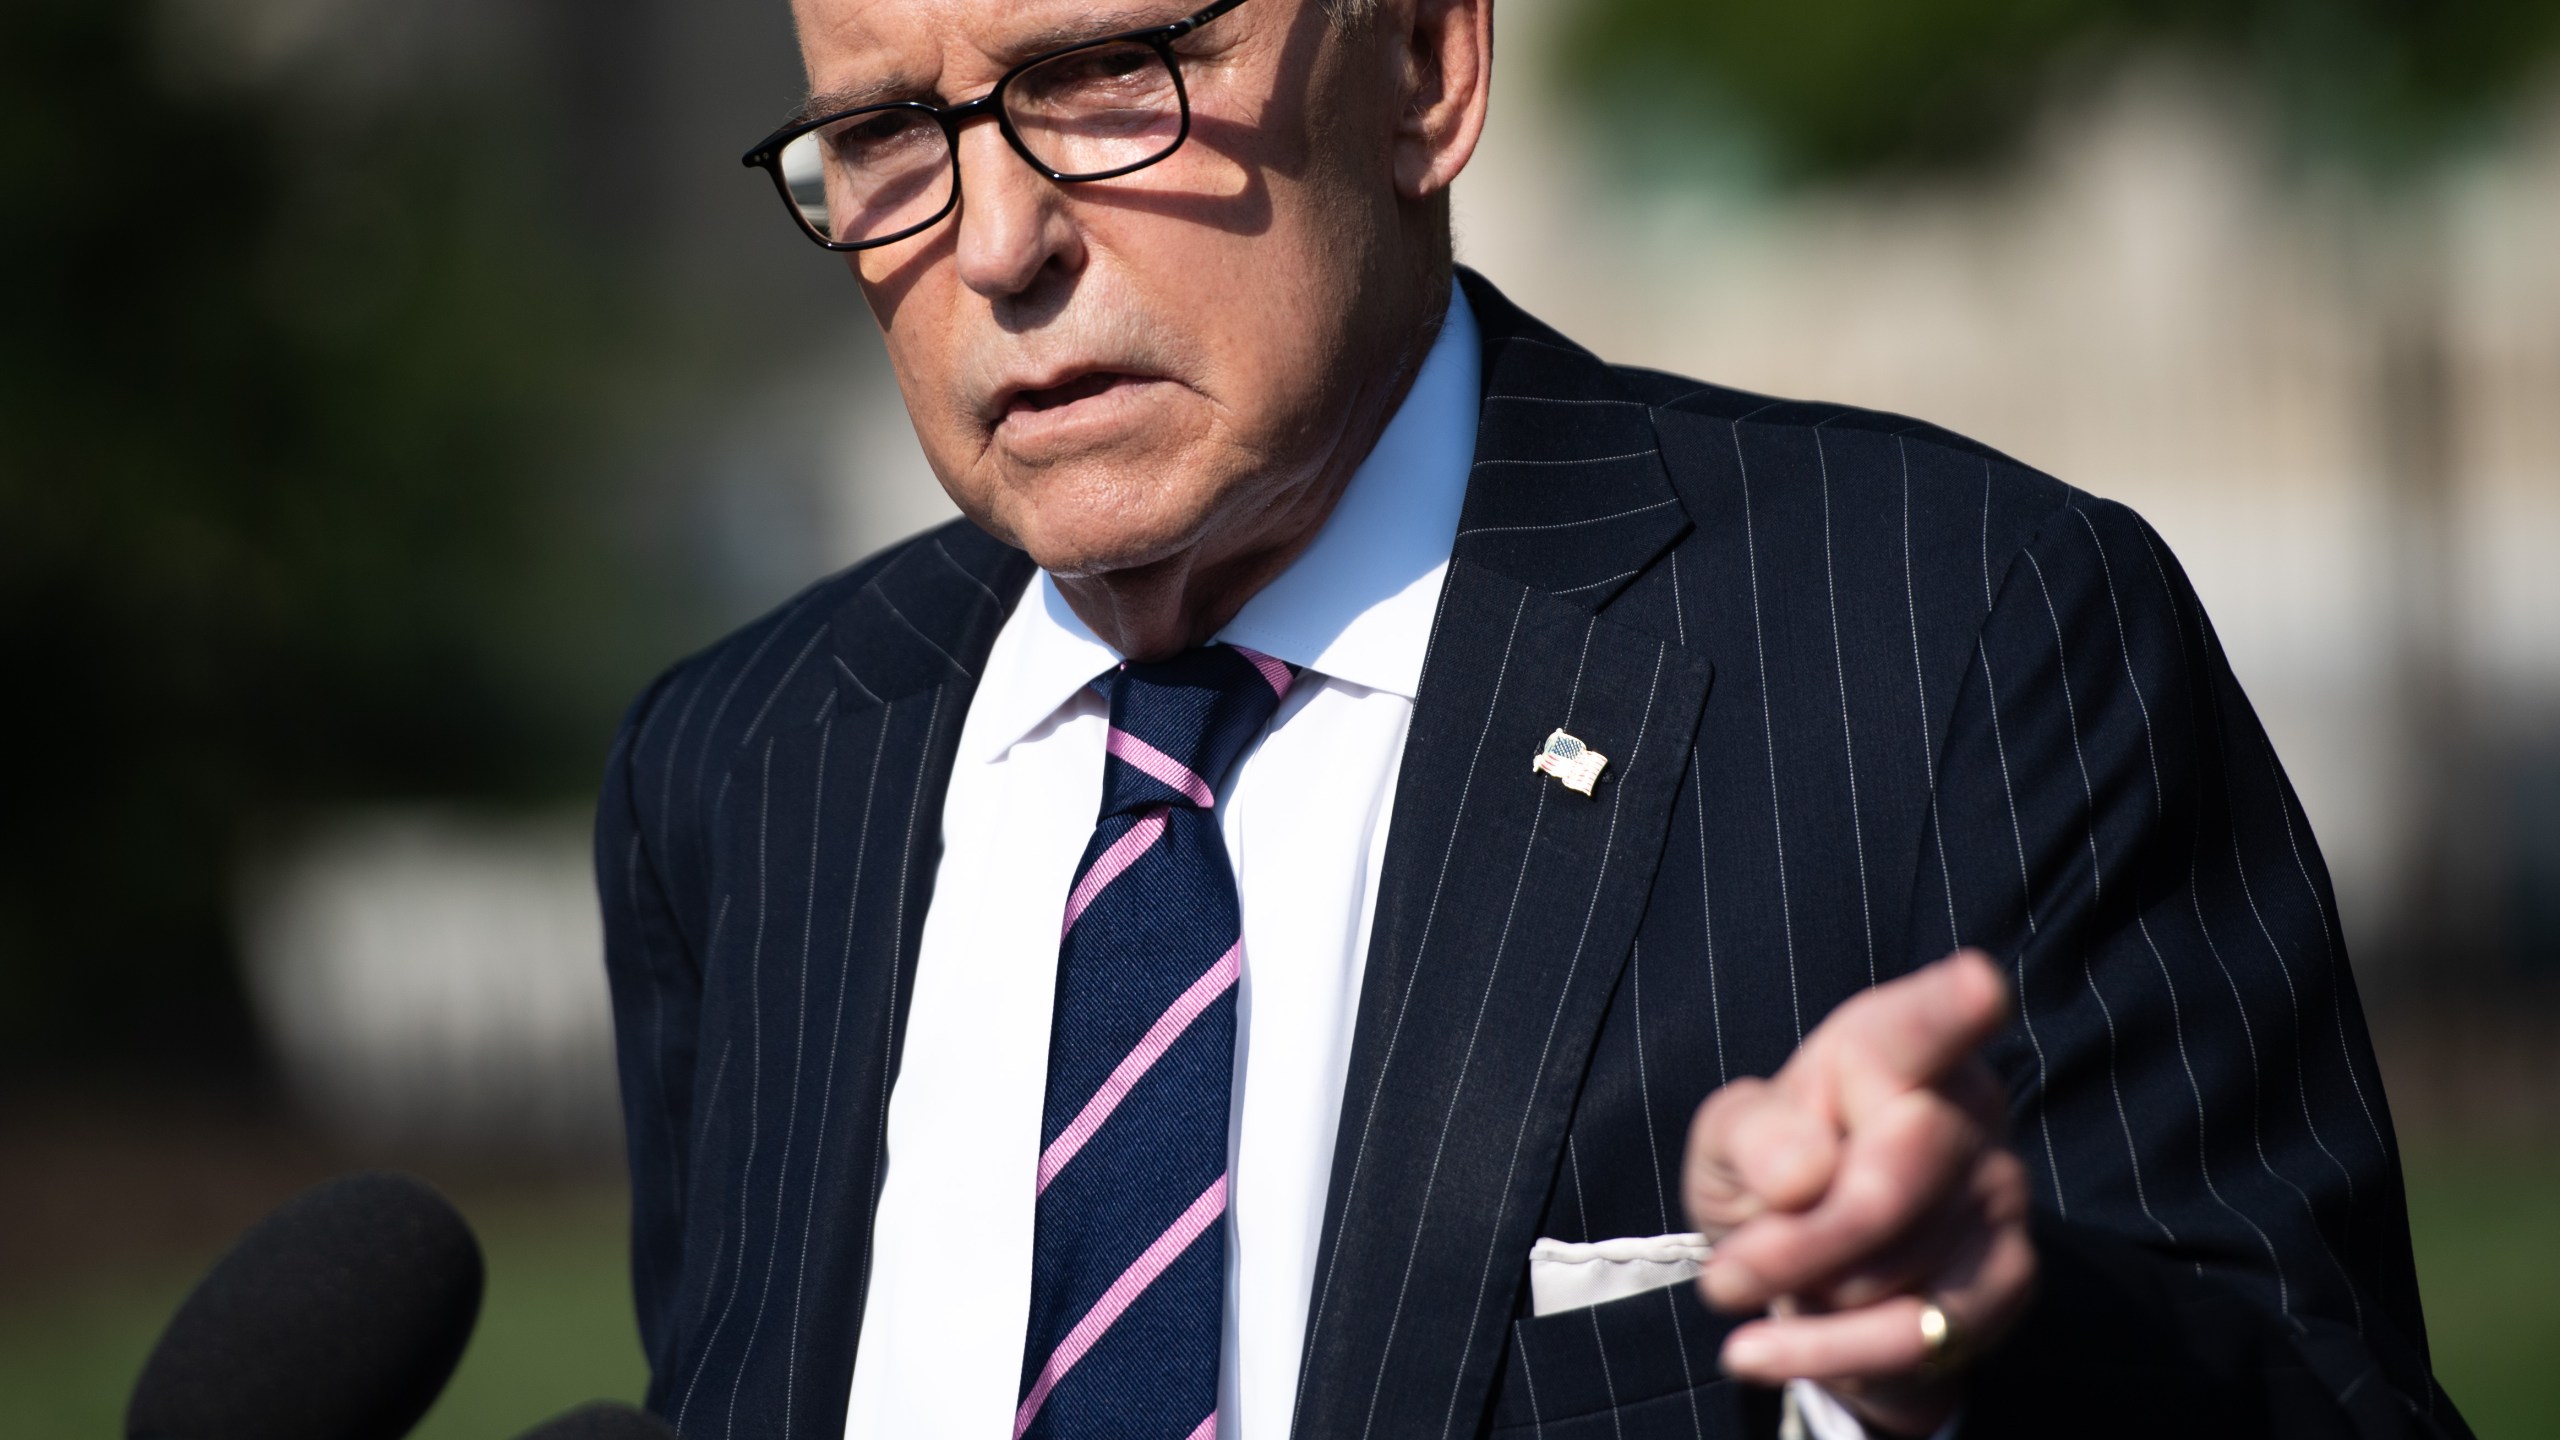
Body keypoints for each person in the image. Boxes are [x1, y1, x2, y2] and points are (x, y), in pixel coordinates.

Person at [593, 0, 2466, 1436]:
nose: (997, 243)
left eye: (1103, 80)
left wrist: (1989, 1340)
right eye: (885, 135)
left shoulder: (1953, 635)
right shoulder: (750, 771)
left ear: (1421, 63)